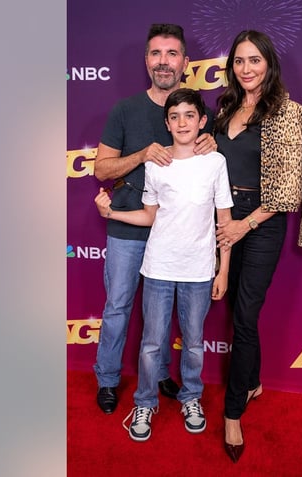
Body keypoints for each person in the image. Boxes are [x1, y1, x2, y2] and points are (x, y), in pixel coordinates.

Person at [91, 23, 218, 415]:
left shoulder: (200, 115)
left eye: (172, 54)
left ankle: (160, 373)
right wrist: (142, 154)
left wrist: (211, 141)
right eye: (157, 54)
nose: (164, 62)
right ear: (147, 60)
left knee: (163, 312)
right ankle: (108, 379)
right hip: (130, 226)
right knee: (119, 305)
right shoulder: (125, 110)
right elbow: (101, 170)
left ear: (185, 62)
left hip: (177, 232)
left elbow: (211, 169)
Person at [94, 88, 233, 441]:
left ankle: (191, 397)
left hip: (199, 272)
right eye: (175, 116)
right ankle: (144, 400)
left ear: (203, 122)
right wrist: (112, 211)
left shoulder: (215, 163)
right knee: (152, 342)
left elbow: (224, 222)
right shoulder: (156, 167)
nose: (182, 122)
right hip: (157, 268)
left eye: (190, 115)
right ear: (166, 124)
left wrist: (223, 269)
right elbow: (150, 217)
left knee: (195, 342)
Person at [212, 30, 302, 463]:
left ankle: (233, 412)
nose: (247, 68)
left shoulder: (290, 114)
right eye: (239, 61)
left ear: (269, 64)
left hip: (261, 222)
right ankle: (252, 380)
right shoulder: (223, 109)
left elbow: (290, 188)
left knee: (244, 315)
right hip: (222, 218)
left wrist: (246, 225)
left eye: (254, 60)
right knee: (235, 307)